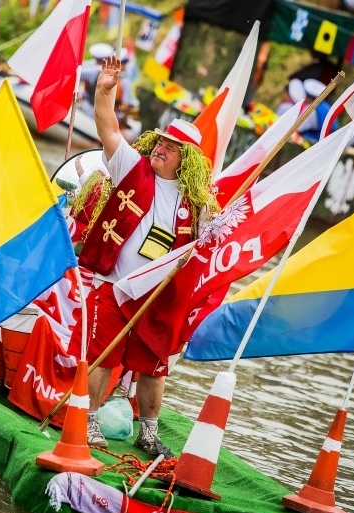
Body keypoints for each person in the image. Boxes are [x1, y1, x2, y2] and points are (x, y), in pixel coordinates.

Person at [68, 55, 218, 455]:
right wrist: (104, 90)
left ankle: (148, 433)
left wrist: (219, 224)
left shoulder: (198, 202)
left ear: (185, 161)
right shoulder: (131, 166)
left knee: (153, 365)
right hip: (114, 284)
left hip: (157, 295)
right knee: (102, 355)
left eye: (171, 149)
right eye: (161, 143)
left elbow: (210, 247)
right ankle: (90, 422)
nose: (162, 150)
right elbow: (108, 127)